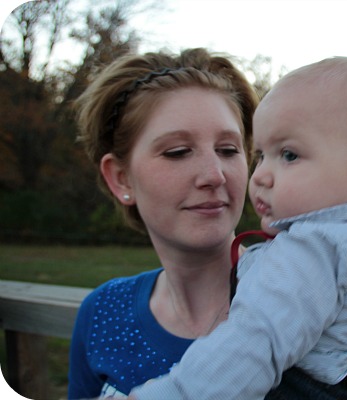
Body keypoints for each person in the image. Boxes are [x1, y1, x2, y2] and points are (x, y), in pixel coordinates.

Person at [131, 56, 347, 399]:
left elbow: (252, 346)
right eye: (260, 155)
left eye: (288, 155)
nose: (260, 176)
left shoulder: (316, 247)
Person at [67, 47, 259, 399]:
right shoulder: (103, 313)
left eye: (229, 150)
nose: (214, 175)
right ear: (121, 178)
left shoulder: (315, 306)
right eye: (177, 152)